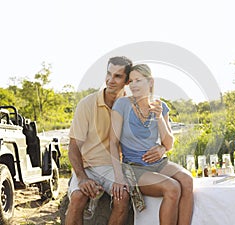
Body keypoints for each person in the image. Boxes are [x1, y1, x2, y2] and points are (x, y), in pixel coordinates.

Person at [110, 64, 194, 225]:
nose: (133, 85)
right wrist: (118, 177)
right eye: (131, 81)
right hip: (134, 167)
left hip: (158, 163)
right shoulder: (122, 105)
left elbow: (169, 144)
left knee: (187, 180)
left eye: (138, 80)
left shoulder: (161, 107)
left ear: (150, 82)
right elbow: (112, 143)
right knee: (172, 188)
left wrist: (159, 118)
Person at [65, 56, 133, 225]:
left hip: (113, 168)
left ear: (126, 81)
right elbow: (73, 147)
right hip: (88, 166)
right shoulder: (87, 104)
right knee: (78, 197)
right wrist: (81, 178)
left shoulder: (130, 106)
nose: (110, 80)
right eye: (108, 74)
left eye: (117, 76)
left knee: (122, 196)